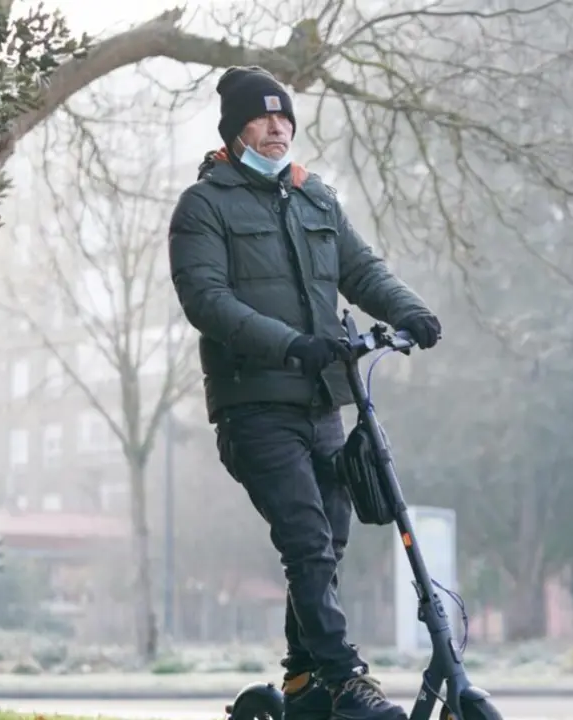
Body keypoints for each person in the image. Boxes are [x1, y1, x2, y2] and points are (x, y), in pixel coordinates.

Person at [167, 66, 442, 720]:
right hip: (254, 407)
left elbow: (362, 270)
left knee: (331, 542)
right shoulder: (203, 207)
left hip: (322, 403)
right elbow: (207, 300)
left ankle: (301, 681)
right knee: (307, 539)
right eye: (262, 117)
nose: (277, 127)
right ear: (235, 131)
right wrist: (291, 344)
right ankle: (344, 679)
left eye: (284, 116)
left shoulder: (314, 197)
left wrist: (411, 311)